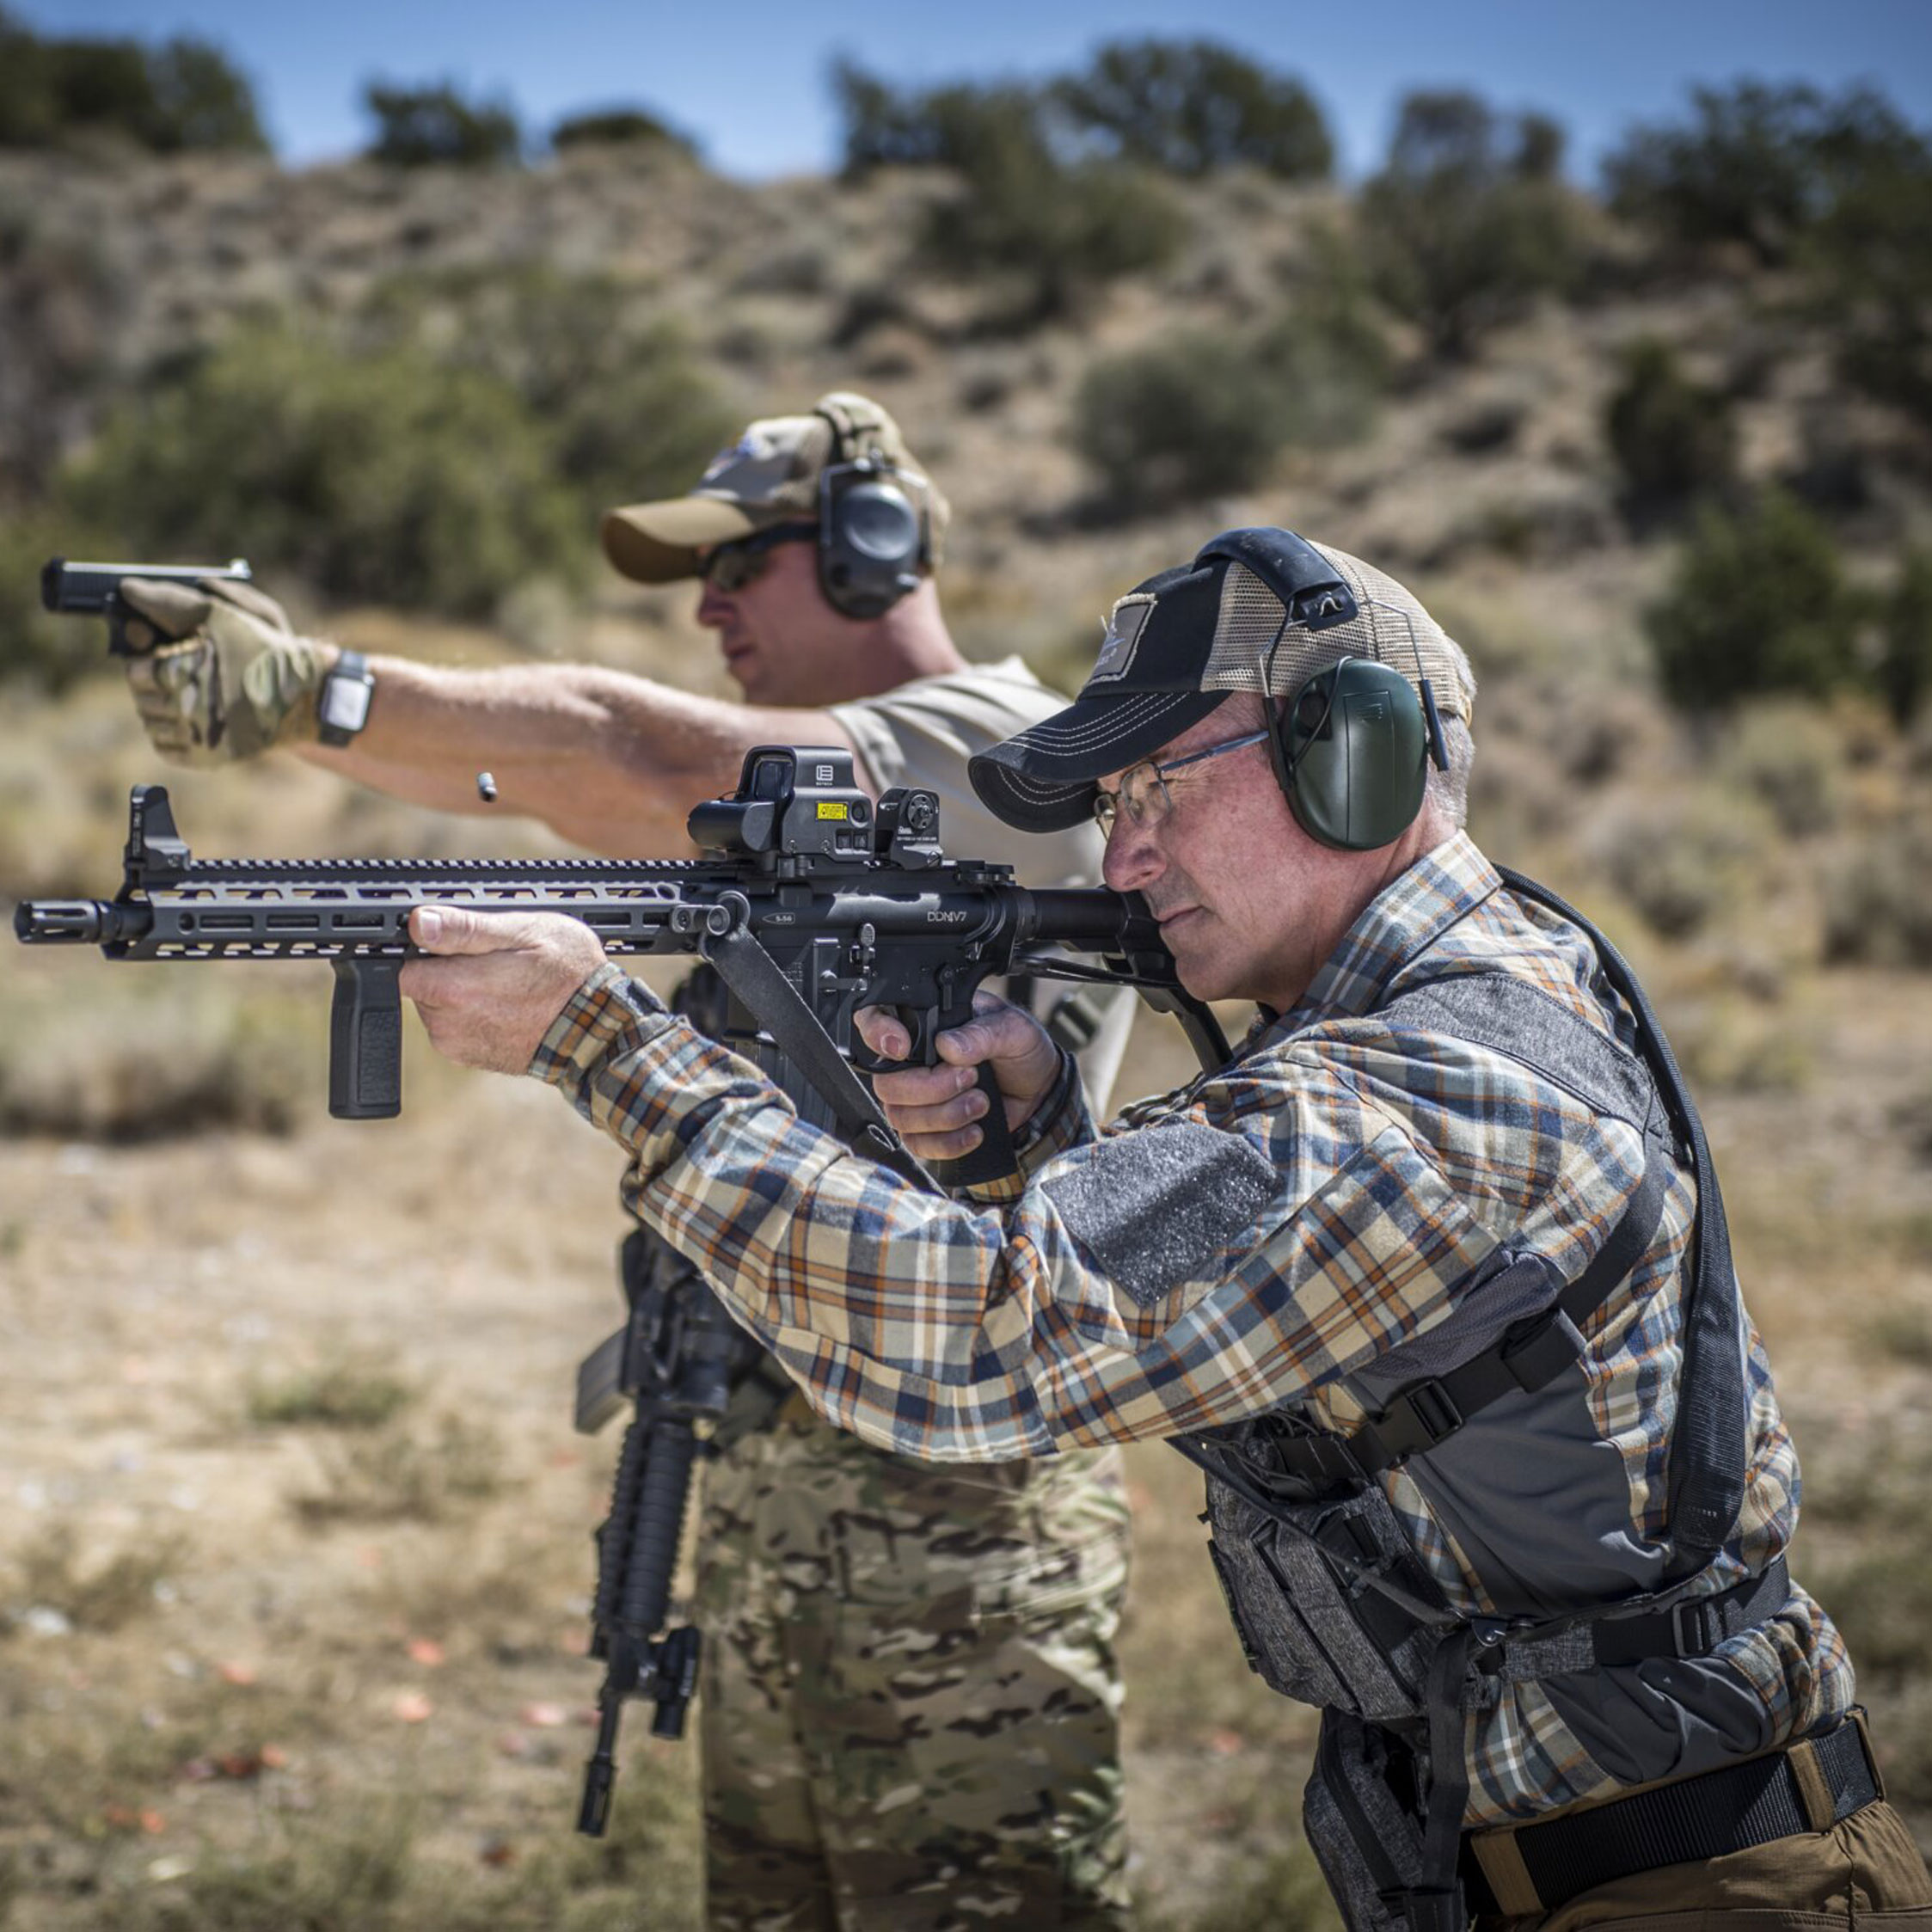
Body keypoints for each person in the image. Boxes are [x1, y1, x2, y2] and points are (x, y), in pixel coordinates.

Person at [399, 526, 1932, 1931]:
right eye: (1116, 810)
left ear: (1360, 762)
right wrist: (1038, 1143)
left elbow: (976, 1347)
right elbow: (1260, 1296)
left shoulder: (1454, 1084)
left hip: (1707, 1889)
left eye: (1161, 793)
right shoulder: (1422, 1017)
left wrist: (601, 1044)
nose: (1124, 861)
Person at [113, 392, 1140, 1931]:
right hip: (782, 1476)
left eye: (741, 562)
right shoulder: (820, 799)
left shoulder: (1004, 750)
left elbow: (619, 748)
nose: (708, 605)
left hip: (957, 1505)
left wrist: (303, 693)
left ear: (874, 550)